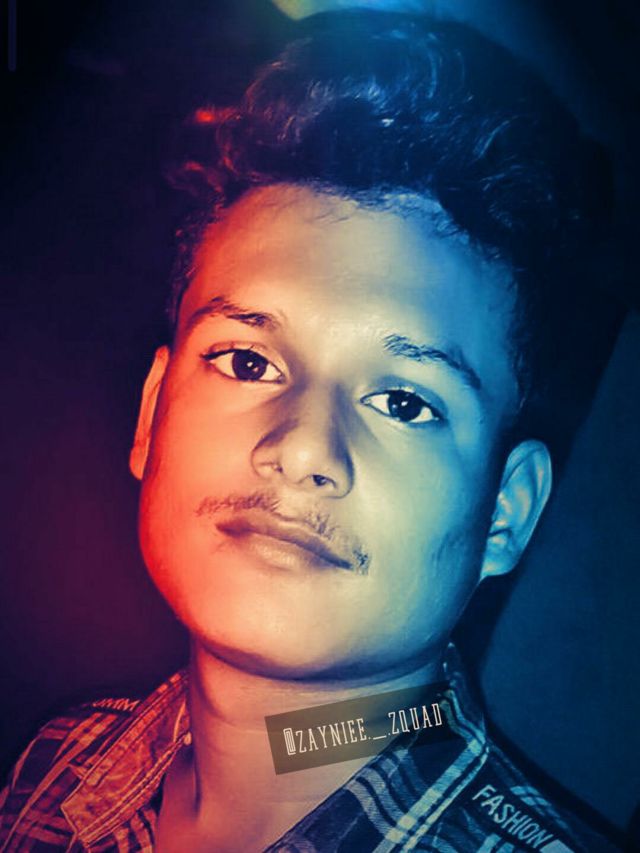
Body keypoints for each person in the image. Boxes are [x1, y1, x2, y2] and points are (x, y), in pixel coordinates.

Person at [0, 10, 623, 852]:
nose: (300, 448)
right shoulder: (56, 765)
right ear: (151, 415)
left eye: (405, 402)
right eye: (246, 361)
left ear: (505, 512)